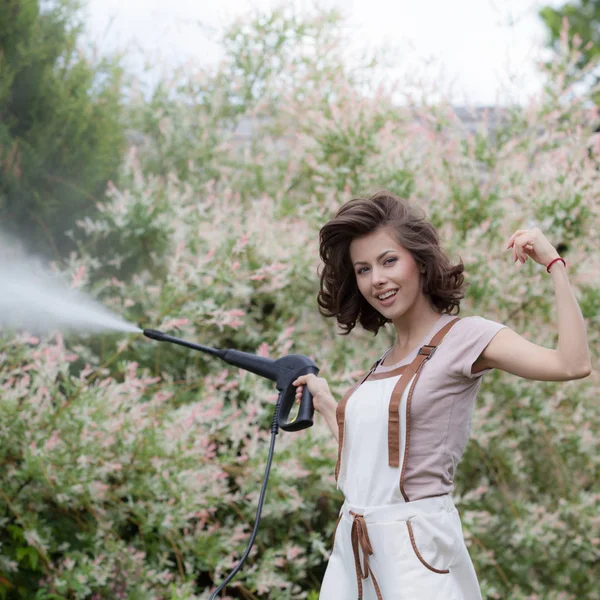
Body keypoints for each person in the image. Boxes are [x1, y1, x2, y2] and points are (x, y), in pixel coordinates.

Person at [292, 191, 592, 600]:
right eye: (363, 269)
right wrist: (327, 403)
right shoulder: (383, 363)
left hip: (417, 554)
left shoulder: (465, 337)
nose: (376, 279)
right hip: (355, 553)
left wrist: (554, 264)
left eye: (388, 261)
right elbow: (367, 464)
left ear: (420, 261)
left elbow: (571, 364)